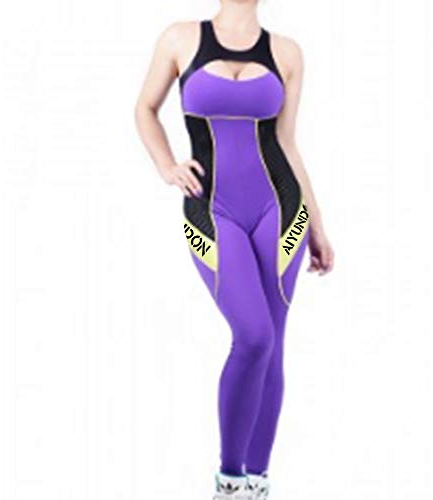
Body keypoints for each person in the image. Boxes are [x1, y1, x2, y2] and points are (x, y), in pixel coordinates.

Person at [135, 1, 334, 498]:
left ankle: (258, 483)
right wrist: (166, 166)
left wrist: (318, 225)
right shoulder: (180, 38)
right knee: (253, 335)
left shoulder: (287, 52)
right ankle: (229, 480)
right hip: (211, 208)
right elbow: (144, 109)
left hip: (280, 208)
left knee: (273, 344)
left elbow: (287, 142)